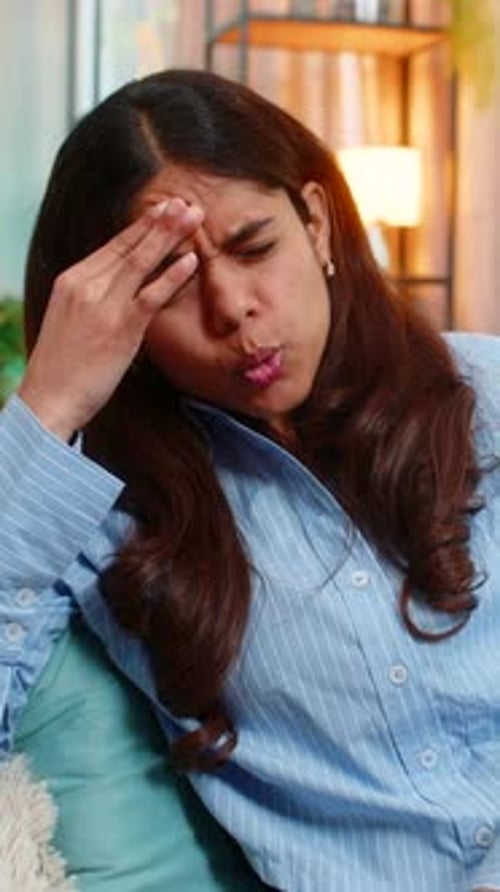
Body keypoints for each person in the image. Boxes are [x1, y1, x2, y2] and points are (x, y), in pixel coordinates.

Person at [1, 67, 499, 892]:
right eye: (173, 283)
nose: (232, 307)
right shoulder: (104, 516)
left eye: (255, 247)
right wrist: (49, 402)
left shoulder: (485, 394)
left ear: (317, 223)